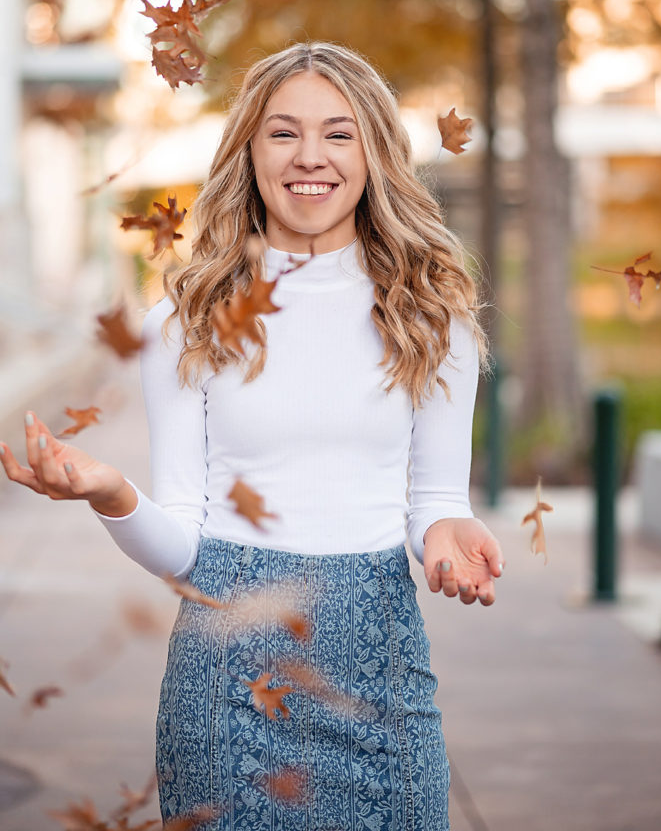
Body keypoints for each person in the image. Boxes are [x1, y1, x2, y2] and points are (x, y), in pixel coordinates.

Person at [0, 41, 504, 831]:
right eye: (283, 132)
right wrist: (109, 494)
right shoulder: (186, 321)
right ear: (249, 151)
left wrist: (447, 534)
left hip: (380, 663)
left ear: (373, 151)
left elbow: (435, 499)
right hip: (223, 674)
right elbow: (183, 549)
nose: (310, 157)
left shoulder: (430, 317)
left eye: (338, 134)